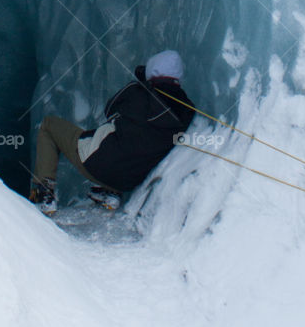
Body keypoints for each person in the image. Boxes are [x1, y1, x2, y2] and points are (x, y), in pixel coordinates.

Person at [29, 49, 195, 215]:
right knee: (132, 143)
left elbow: (110, 110)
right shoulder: (186, 111)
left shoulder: (137, 91)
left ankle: (42, 194)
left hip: (99, 162)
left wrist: (144, 83)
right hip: (129, 180)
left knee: (49, 125)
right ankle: (110, 192)